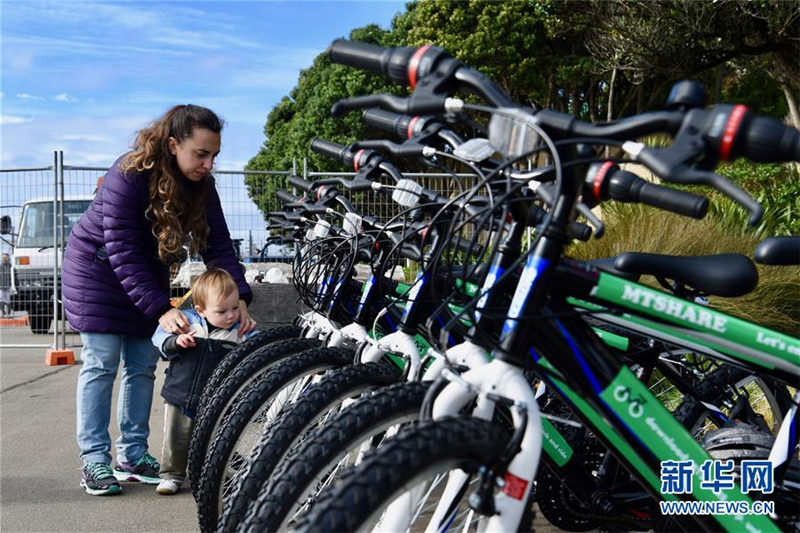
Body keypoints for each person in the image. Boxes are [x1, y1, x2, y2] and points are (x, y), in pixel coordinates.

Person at [62, 104, 257, 496]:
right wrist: (161, 309)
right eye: (200, 154)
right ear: (172, 144)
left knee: (142, 364)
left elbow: (217, 245)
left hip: (143, 276)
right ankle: (95, 460)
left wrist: (242, 298)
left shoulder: (202, 185)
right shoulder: (128, 173)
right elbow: (120, 247)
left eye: (214, 155)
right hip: (97, 272)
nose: (208, 164)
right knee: (101, 364)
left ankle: (132, 455)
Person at [151, 268, 257, 494]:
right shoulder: (187, 322)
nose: (231, 315)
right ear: (201, 310)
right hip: (181, 393)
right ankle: (171, 474)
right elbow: (159, 336)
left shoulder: (241, 331)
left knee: (219, 436)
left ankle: (221, 469)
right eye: (222, 311)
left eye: (235, 308)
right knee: (176, 438)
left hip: (220, 399)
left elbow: (262, 349)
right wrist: (176, 341)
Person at [0, 253, 11, 317]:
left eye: (5, 258)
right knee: (1, 299)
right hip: (1, 286)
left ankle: (8, 313)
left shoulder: (10, 266)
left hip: (8, 286)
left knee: (8, 300)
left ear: (7, 258)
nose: (4, 259)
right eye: (3, 258)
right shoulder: (0, 266)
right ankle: (2, 312)